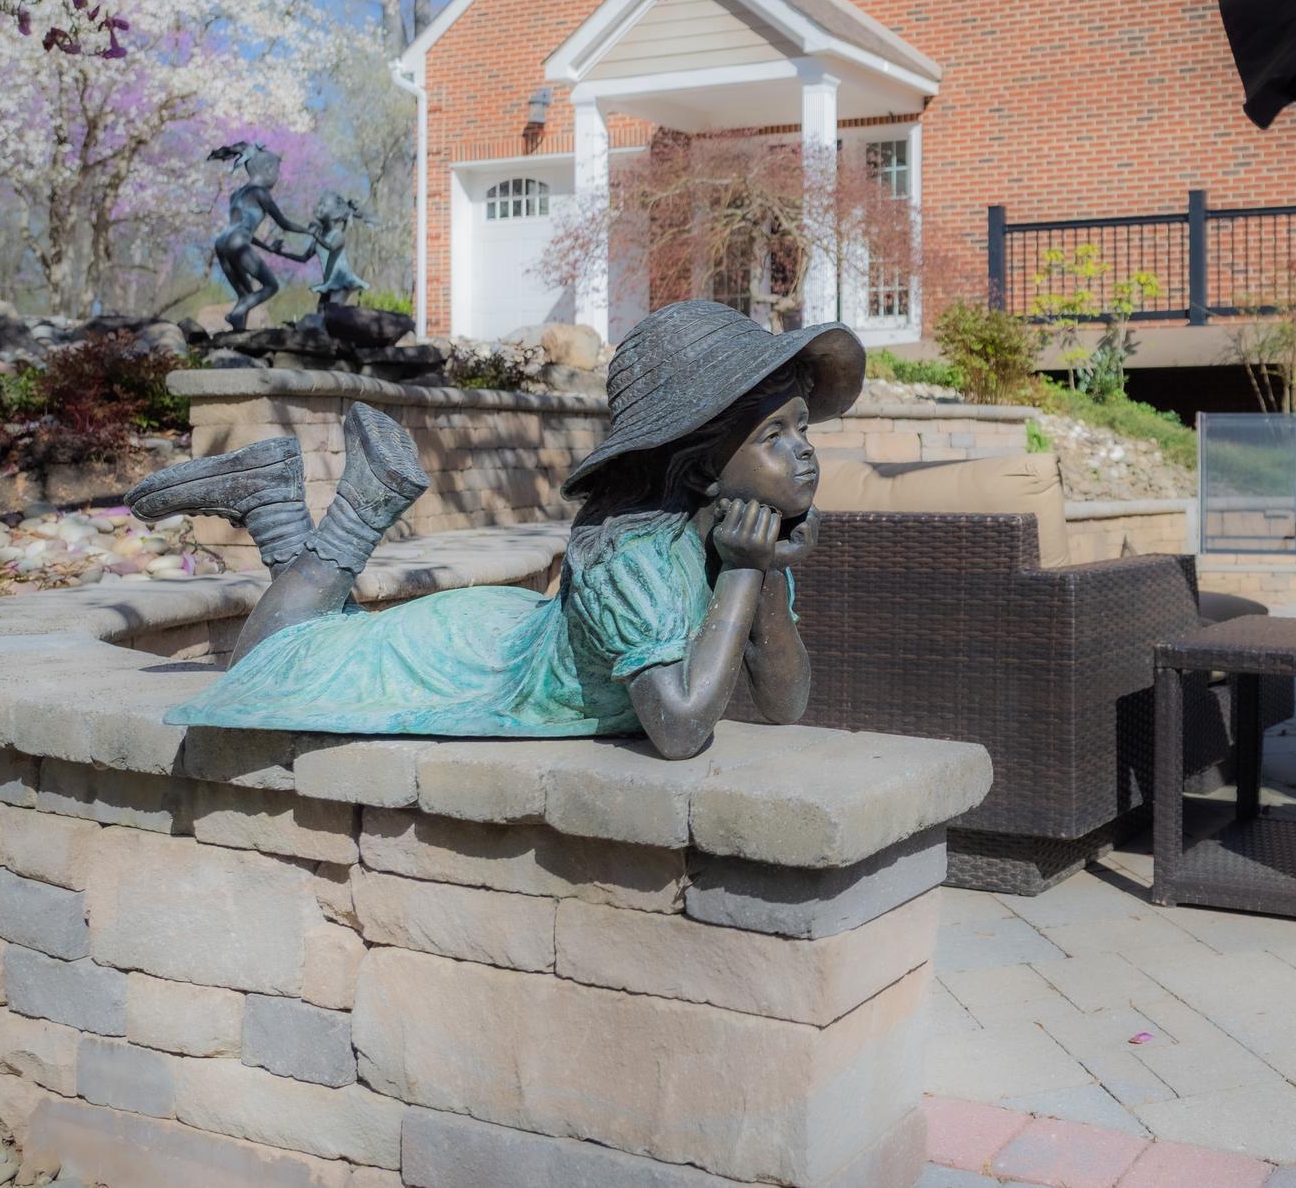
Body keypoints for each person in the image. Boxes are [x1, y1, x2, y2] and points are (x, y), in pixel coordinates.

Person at [123, 300, 864, 761]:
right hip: (473, 662)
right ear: (699, 464)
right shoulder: (630, 556)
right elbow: (679, 729)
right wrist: (745, 572)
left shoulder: (733, 535)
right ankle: (346, 508)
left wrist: (761, 572)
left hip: (513, 637)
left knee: (309, 646)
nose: (803, 450)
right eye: (774, 434)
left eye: (801, 427)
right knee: (270, 663)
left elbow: (784, 703)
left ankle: (275, 500)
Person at [206, 142, 310, 331]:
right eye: (277, 171)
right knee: (271, 286)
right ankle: (236, 314)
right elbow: (284, 223)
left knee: (245, 295)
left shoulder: (236, 194)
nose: (277, 176)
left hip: (222, 243)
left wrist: (268, 248)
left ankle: (237, 332)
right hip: (237, 242)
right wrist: (309, 231)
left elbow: (241, 230)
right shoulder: (260, 193)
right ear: (268, 168)